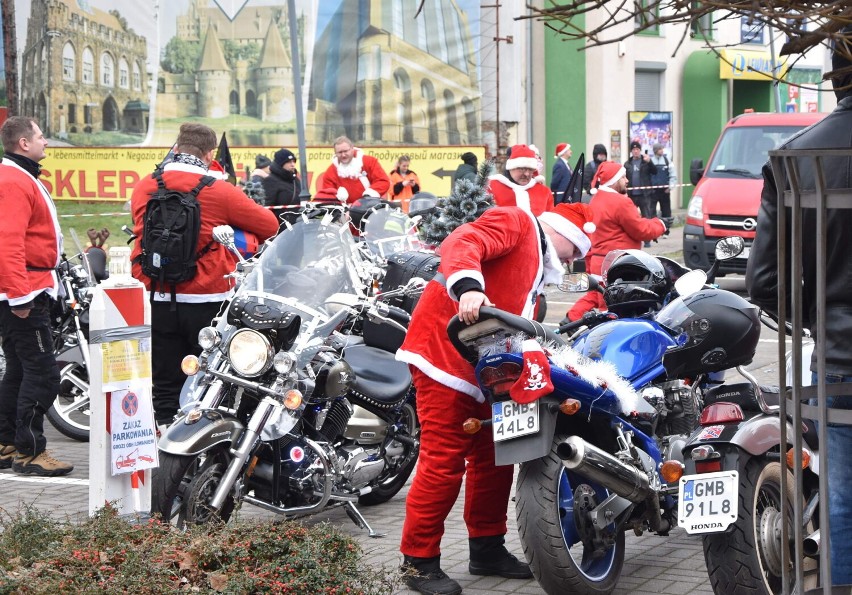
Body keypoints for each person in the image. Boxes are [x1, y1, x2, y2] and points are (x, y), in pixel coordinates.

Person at [396, 202, 597, 595]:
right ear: (561, 233)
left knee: (495, 457)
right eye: (575, 248)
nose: (576, 258)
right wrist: (469, 286)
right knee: (443, 460)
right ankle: (417, 562)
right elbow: (464, 239)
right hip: (442, 356)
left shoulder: (538, 264)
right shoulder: (518, 222)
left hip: (484, 370)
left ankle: (486, 548)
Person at [746, 37, 852, 587]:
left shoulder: (795, 159)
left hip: (836, 359)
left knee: (841, 500)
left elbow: (763, 281)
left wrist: (815, 316)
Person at [130, 123, 279, 426]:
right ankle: (197, 445)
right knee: (205, 378)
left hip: (154, 293)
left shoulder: (146, 185)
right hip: (205, 296)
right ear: (210, 154)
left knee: (164, 378)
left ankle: (163, 436)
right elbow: (269, 225)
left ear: (177, 147)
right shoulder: (218, 190)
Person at [0, 117, 73, 476]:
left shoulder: (17, 175)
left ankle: (8, 443)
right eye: (41, 136)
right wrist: (20, 296)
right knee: (43, 373)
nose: (47, 142)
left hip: (26, 284)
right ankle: (30, 452)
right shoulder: (13, 179)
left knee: (18, 368)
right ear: (24, 143)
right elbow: (8, 240)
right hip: (24, 288)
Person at [567, 161, 668, 321]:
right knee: (613, 311)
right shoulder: (620, 202)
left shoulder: (596, 199)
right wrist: (660, 224)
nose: (627, 181)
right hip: (618, 266)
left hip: (599, 263)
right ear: (614, 180)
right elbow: (641, 229)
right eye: (623, 177)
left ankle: (572, 318)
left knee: (597, 296)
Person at [487, 144, 554, 216]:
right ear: (510, 168)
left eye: (530, 169)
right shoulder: (492, 188)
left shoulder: (544, 192)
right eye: (522, 169)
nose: (527, 174)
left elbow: (550, 221)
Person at [320, 136, 390, 205]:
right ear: (335, 153)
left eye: (345, 151)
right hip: (344, 211)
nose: (343, 155)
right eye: (340, 152)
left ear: (352, 149)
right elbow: (328, 196)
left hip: (370, 207)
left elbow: (383, 181)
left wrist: (368, 195)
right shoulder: (331, 172)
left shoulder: (369, 162)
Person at [624, 140, 658, 224]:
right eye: (633, 150)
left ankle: (648, 236)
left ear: (640, 150)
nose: (635, 151)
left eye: (637, 149)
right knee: (631, 217)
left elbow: (655, 171)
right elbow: (624, 178)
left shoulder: (645, 161)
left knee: (647, 216)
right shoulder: (627, 164)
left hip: (644, 195)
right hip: (631, 195)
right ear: (631, 151)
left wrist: (650, 162)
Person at [649, 143, 677, 219]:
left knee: (666, 212)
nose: (662, 150)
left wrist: (670, 187)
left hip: (665, 191)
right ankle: (653, 229)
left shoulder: (667, 161)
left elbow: (673, 175)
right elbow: (647, 176)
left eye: (662, 148)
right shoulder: (650, 161)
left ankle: (666, 229)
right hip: (653, 191)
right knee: (651, 213)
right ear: (655, 151)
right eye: (660, 149)